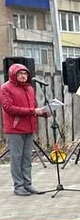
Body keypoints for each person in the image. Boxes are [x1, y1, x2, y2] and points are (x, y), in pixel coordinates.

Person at [2, 63, 50, 196]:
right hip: (15, 129)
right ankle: (18, 186)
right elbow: (9, 108)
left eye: (25, 73)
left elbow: (32, 107)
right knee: (17, 159)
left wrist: (43, 113)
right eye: (20, 73)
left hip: (29, 127)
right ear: (13, 74)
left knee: (27, 158)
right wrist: (33, 111)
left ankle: (27, 184)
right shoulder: (6, 88)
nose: (23, 76)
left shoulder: (29, 88)